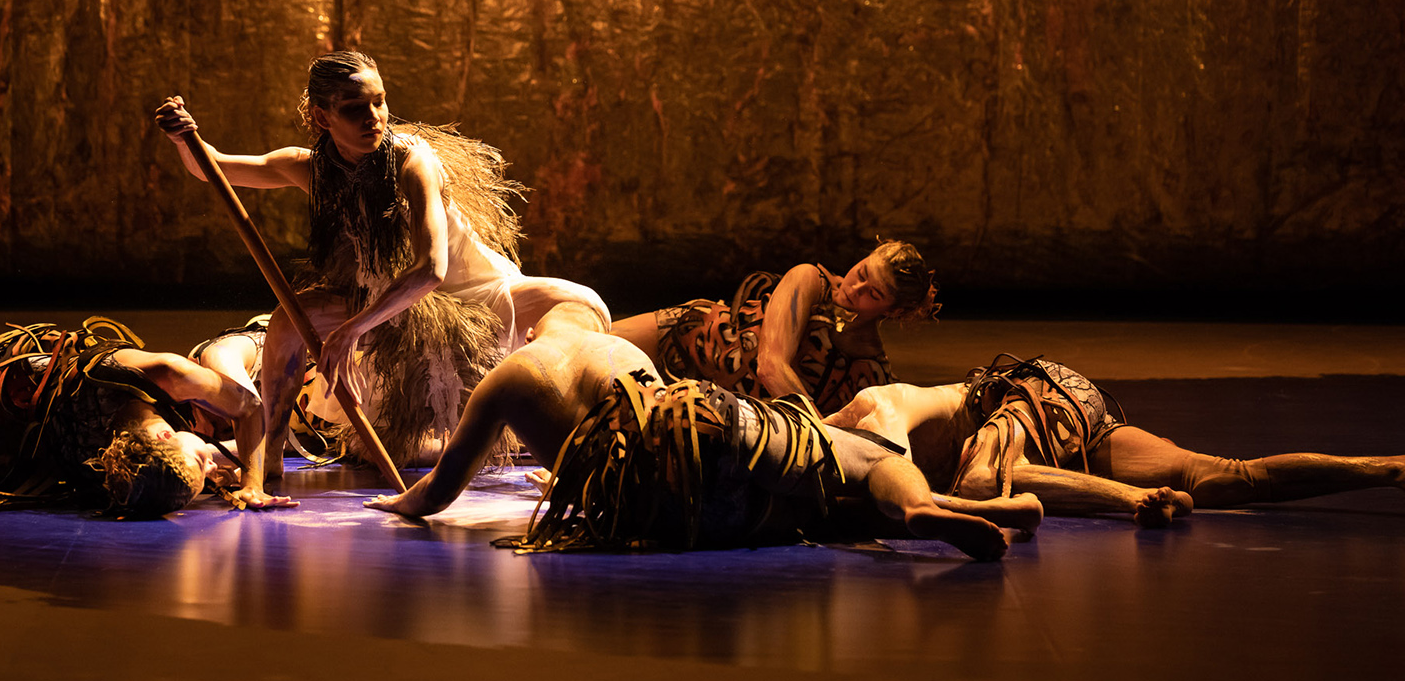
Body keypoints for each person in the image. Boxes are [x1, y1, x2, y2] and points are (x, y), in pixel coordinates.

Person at [155, 51, 608, 503]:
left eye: (380, 102)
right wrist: (184, 138)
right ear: (322, 115)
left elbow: (432, 269)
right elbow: (211, 167)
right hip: (386, 304)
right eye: (355, 108)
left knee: (581, 303)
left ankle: (582, 458)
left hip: (469, 296)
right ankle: (269, 457)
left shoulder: (413, 161)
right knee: (287, 323)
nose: (374, 118)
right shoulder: (308, 166)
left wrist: (351, 331)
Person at [366, 303, 1043, 562]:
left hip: (645, 506)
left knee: (811, 518)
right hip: (696, 431)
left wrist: (397, 502)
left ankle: (948, 511)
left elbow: (440, 489)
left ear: (537, 333)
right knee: (855, 457)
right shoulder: (618, 356)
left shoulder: (511, 376)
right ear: (589, 326)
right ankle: (928, 505)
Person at [822, 354, 1405, 526]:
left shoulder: (873, 413)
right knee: (1221, 476)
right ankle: (1389, 468)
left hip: (1026, 396)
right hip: (1071, 418)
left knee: (978, 482)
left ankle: (1132, 502)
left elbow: (897, 473)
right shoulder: (834, 453)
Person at [0, 317, 291, 517]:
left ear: (164, 437)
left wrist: (254, 484)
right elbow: (214, 451)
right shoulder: (104, 461)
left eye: (199, 460)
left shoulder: (172, 373)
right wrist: (255, 458)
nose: (208, 459)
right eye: (205, 464)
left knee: (235, 369)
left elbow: (248, 406)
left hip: (237, 355)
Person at [610, 239, 939, 413]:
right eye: (862, 272)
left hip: (702, 402)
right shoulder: (810, 280)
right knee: (579, 342)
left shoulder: (872, 371)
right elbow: (770, 366)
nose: (855, 289)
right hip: (685, 335)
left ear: (893, 310)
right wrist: (823, 436)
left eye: (873, 293)